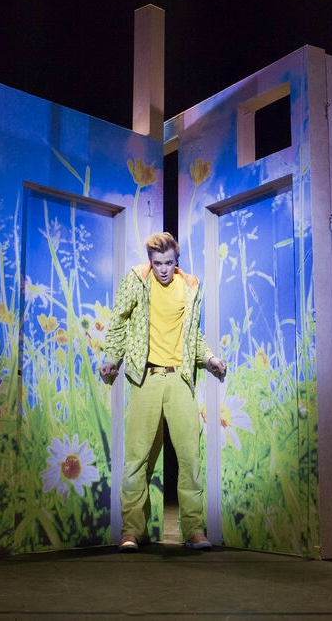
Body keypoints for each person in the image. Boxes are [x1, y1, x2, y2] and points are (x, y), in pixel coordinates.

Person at [100, 232, 227, 552]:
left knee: (190, 457)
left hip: (179, 378)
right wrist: (112, 358)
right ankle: (132, 531)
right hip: (146, 378)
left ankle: (194, 530)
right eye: (157, 263)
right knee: (137, 459)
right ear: (150, 262)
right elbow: (118, 322)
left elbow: (193, 335)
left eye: (169, 263)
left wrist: (210, 358)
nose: (163, 269)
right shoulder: (137, 281)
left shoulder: (190, 286)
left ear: (177, 261)